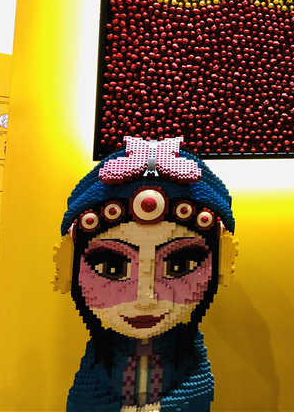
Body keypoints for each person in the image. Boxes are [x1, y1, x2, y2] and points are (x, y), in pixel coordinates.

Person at [54, 136, 237, 411]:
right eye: (112, 268)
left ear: (222, 265)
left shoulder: (193, 376)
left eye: (179, 266)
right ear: (69, 267)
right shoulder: (93, 380)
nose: (145, 298)